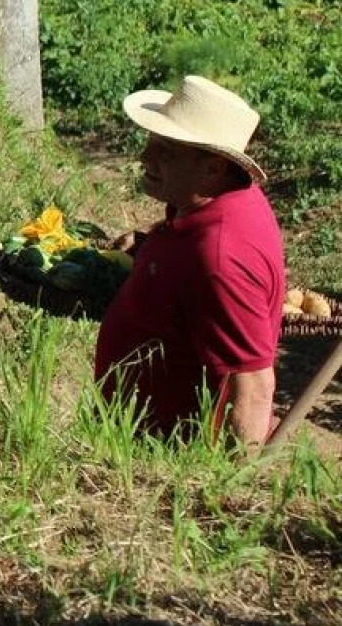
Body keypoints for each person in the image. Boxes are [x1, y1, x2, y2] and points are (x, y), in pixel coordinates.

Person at [94, 75, 284, 446]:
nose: (144, 157)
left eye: (166, 149)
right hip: (140, 443)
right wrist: (150, 247)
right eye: (150, 142)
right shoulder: (208, 204)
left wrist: (226, 491)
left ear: (213, 169)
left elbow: (252, 386)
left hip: (170, 461)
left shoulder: (220, 257)